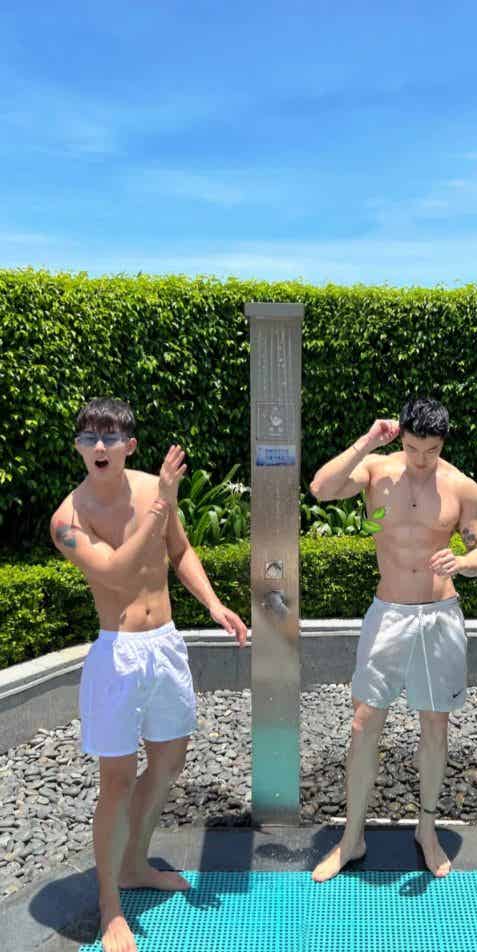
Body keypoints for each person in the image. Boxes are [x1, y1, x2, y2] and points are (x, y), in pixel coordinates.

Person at [50, 397, 248, 952]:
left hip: (164, 643)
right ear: (78, 447)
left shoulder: (150, 489)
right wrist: (161, 507)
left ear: (129, 445)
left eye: (110, 438)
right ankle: (109, 904)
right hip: (117, 654)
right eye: (88, 438)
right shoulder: (68, 520)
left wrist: (213, 605)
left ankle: (134, 862)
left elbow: (178, 550)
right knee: (115, 781)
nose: (99, 447)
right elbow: (115, 571)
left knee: (169, 759)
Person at [309, 396, 477, 883]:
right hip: (388, 613)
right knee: (363, 722)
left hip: (439, 615)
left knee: (435, 725)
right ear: (401, 438)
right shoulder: (377, 471)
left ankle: (426, 831)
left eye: (431, 450)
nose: (421, 459)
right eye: (413, 448)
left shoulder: (462, 487)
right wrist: (368, 440)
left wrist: (463, 562)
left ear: (443, 443)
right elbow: (321, 489)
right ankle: (352, 836)